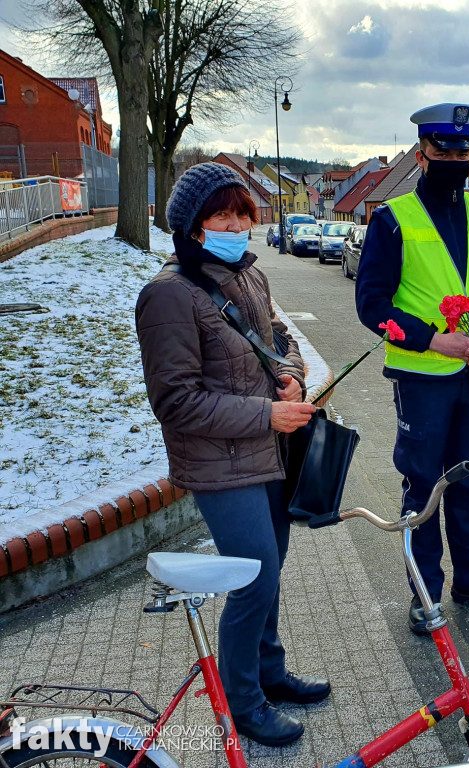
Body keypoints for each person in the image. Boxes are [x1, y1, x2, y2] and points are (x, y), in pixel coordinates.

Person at [135, 162, 327, 747]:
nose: (237, 225)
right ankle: (243, 703)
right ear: (192, 227)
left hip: (270, 452)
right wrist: (266, 413)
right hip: (221, 465)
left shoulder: (250, 276)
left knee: (269, 575)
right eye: (222, 215)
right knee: (253, 579)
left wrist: (290, 378)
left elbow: (280, 339)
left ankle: (270, 672)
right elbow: (176, 403)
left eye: (242, 214)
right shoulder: (168, 296)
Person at [355, 103, 469, 635]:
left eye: (462, 150)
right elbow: (372, 305)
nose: (455, 158)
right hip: (423, 380)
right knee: (423, 485)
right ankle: (424, 591)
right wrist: (437, 342)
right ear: (423, 154)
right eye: (443, 151)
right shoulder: (393, 220)